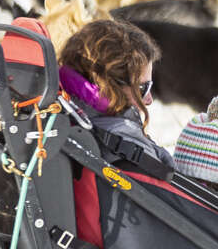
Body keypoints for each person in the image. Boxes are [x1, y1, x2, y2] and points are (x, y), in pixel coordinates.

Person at [57, 18, 174, 175]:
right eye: (142, 88)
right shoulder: (121, 139)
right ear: (110, 85)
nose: (149, 100)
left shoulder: (66, 109)